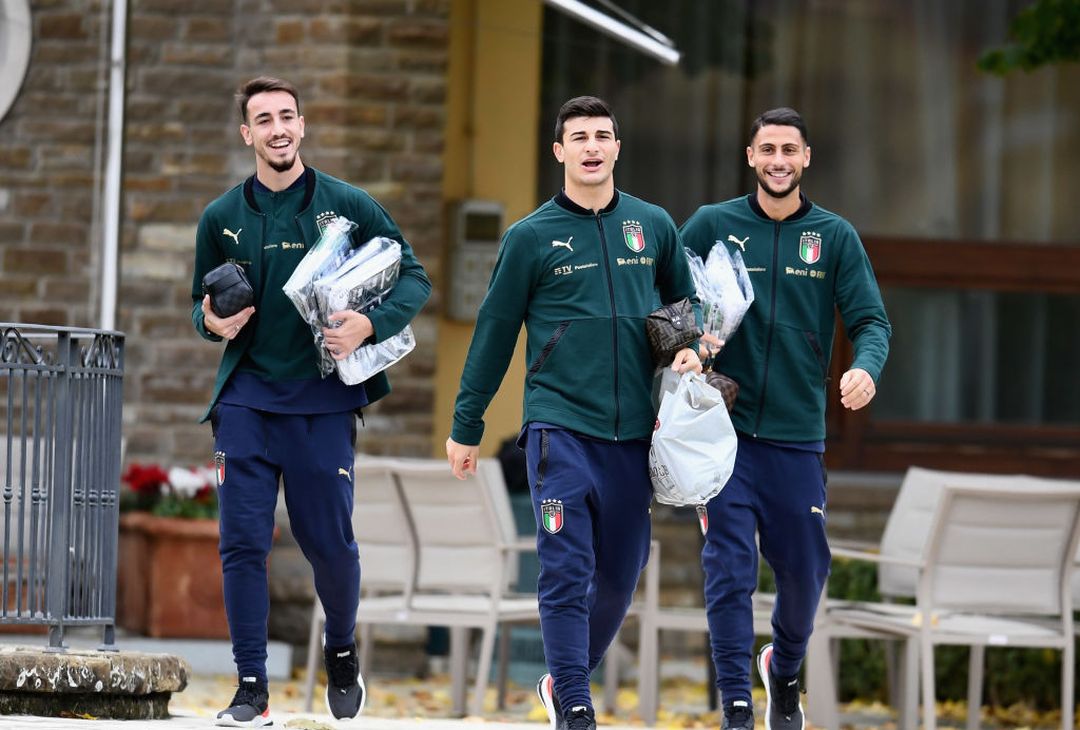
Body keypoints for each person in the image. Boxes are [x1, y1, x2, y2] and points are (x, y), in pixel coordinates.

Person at [446, 96, 701, 730]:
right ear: (559, 150)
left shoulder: (652, 225)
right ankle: (578, 708)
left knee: (622, 572)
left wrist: (688, 346)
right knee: (565, 568)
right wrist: (466, 425)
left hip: (633, 434)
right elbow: (494, 334)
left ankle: (564, 681)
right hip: (558, 428)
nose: (592, 146)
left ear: (617, 148)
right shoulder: (530, 237)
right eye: (579, 137)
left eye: (603, 136)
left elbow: (682, 303)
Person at [190, 76, 431, 727]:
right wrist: (210, 322)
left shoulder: (346, 205)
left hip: (323, 402)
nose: (278, 129)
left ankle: (342, 651)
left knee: (329, 545)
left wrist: (368, 324)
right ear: (247, 133)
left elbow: (413, 275)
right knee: (242, 544)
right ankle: (251, 688)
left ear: (302, 125)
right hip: (245, 402)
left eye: (287, 117)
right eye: (264, 119)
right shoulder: (220, 217)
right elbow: (198, 304)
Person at [679, 107, 891, 730]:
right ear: (750, 157)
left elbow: (871, 322)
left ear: (806, 159)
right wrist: (689, 339)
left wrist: (866, 369)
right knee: (728, 570)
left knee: (806, 570)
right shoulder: (712, 224)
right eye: (767, 150)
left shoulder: (834, 236)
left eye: (789, 150)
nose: (778, 161)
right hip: (723, 434)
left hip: (797, 437)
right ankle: (736, 704)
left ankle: (785, 668)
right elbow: (665, 297)